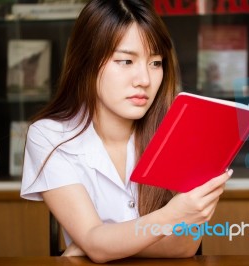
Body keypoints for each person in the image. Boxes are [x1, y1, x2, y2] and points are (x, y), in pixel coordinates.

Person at [20, 0, 232, 263]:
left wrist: (101, 245)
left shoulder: (178, 130)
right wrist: (172, 215)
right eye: (126, 61)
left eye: (155, 63)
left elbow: (182, 248)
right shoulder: (49, 136)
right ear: (86, 62)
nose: (144, 79)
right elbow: (95, 242)